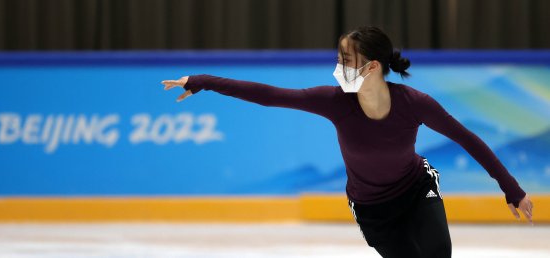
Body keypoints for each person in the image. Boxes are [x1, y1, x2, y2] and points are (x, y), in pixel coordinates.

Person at [161, 26, 534, 258]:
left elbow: (468, 140)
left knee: (438, 254)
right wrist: (202, 79)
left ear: (372, 66)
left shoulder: (414, 104)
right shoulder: (334, 102)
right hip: (372, 208)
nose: (338, 67)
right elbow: (269, 95)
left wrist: (511, 189)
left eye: (345, 59)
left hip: (418, 190)